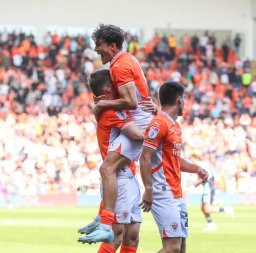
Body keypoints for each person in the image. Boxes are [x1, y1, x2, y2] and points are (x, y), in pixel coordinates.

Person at [85, 24, 156, 243]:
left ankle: (104, 221)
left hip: (141, 123)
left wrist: (103, 104)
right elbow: (139, 98)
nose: (97, 50)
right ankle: (102, 218)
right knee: (130, 236)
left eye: (99, 45)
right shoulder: (128, 59)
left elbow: (131, 102)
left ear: (112, 45)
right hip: (144, 121)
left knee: (107, 167)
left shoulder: (119, 66)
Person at [78, 69, 142, 253]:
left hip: (128, 175)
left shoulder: (106, 107)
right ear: (107, 88)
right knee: (116, 235)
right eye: (115, 84)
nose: (120, 87)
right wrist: (157, 129)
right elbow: (138, 135)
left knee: (132, 235)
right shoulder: (110, 111)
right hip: (118, 177)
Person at [140, 81, 208, 253]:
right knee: (172, 248)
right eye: (184, 98)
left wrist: (196, 169)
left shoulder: (174, 126)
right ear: (179, 100)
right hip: (162, 191)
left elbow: (175, 160)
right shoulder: (159, 124)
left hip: (176, 193)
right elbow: (145, 157)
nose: (184, 102)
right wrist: (148, 188)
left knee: (181, 247)